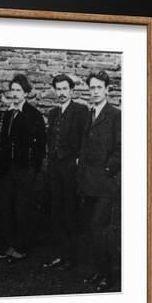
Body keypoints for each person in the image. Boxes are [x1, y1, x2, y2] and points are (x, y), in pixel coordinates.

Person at [77, 70, 121, 292]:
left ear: (107, 90)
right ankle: (98, 270)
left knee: (101, 229)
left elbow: (120, 149)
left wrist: (106, 170)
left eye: (98, 88)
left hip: (105, 184)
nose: (94, 92)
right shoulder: (88, 113)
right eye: (91, 88)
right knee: (91, 229)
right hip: (87, 183)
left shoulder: (115, 115)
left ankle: (108, 275)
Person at [43, 74, 89, 271]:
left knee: (71, 212)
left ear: (71, 91)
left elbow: (84, 140)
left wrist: (78, 161)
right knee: (56, 211)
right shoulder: (53, 113)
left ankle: (72, 257)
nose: (61, 93)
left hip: (71, 168)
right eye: (58, 89)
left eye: (64, 89)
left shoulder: (80, 110)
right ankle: (59, 255)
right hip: (54, 168)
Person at [0, 74, 46, 263]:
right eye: (13, 90)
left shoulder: (33, 115)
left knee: (22, 209)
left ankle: (21, 248)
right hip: (8, 170)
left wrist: (33, 168)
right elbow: (3, 142)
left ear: (26, 93)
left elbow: (40, 145)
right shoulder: (8, 114)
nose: (15, 94)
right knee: (7, 208)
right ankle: (10, 245)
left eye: (19, 90)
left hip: (24, 170)